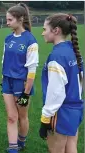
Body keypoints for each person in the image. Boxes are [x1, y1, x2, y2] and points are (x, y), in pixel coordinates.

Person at [39, 13, 84, 153]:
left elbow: (55, 92)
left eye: (45, 29)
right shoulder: (73, 50)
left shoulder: (57, 56)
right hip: (75, 108)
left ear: (56, 30)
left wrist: (45, 118)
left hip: (61, 112)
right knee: (71, 148)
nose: (42, 33)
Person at [1, 3, 39, 153]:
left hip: (21, 85)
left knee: (22, 117)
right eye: (7, 19)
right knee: (11, 117)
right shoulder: (8, 38)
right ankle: (13, 148)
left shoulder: (30, 40)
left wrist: (26, 92)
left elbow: (32, 69)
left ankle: (21, 140)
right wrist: (3, 78)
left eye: (10, 20)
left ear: (20, 19)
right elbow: (4, 60)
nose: (7, 23)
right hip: (7, 82)